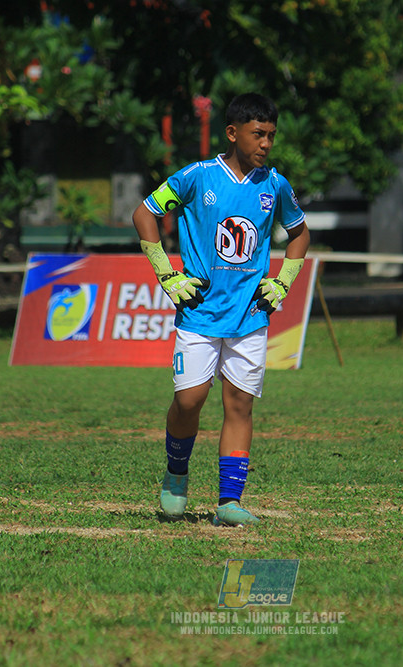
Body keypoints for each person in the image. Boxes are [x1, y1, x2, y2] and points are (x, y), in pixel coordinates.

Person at [132, 92, 310, 527]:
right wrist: (167, 273)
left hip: (249, 316)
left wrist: (282, 281)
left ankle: (229, 502)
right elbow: (144, 214)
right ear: (233, 133)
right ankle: (176, 475)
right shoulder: (198, 176)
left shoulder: (276, 186)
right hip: (200, 313)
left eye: (271, 135)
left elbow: (300, 234)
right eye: (257, 134)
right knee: (189, 399)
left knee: (239, 406)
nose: (266, 143)